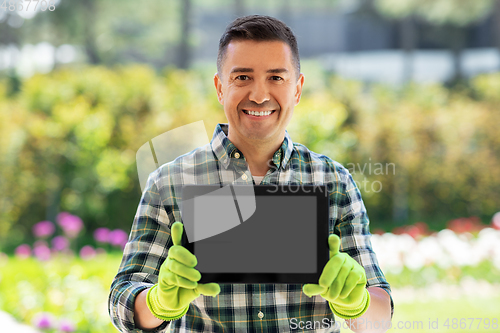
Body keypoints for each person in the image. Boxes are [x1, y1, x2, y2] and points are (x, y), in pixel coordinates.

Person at [109, 15, 393, 333]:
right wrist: (159, 301)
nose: (259, 95)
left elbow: (378, 320)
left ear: (297, 89)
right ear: (220, 87)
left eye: (276, 78)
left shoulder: (334, 181)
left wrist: (357, 303)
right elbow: (122, 301)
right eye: (242, 77)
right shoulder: (169, 183)